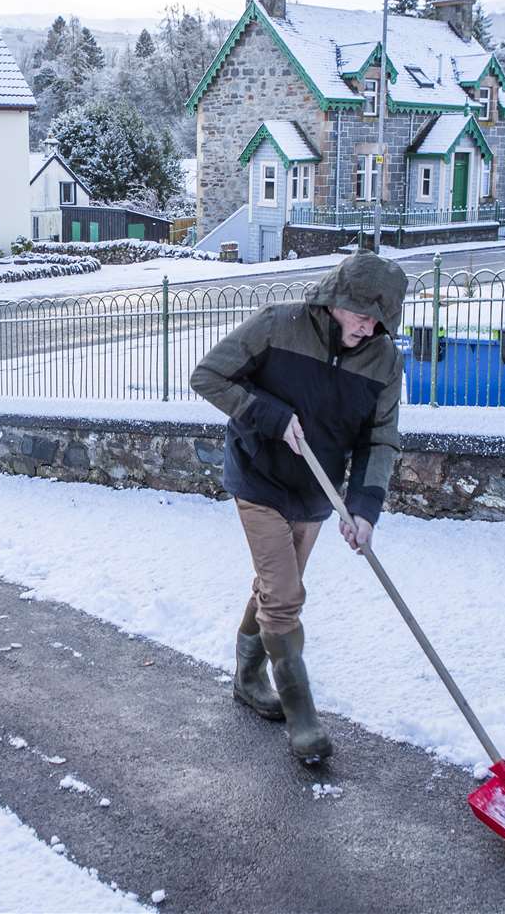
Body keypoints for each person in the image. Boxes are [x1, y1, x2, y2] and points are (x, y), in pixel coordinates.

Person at [189, 252, 405, 763]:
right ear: (334, 300)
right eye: (358, 312)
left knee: (272, 587)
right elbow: (209, 376)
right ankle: (302, 717)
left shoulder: (384, 362)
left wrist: (365, 508)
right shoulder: (278, 325)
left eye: (379, 317)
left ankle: (246, 676)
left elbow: (381, 441)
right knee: (285, 595)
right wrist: (267, 413)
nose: (367, 325)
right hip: (259, 476)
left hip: (316, 491)